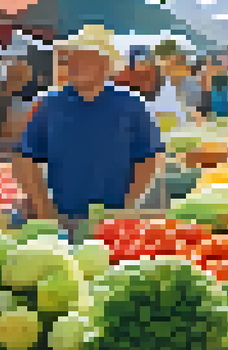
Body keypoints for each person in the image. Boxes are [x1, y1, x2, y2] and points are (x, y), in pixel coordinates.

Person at [13, 23, 165, 235]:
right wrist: (44, 209)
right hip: (62, 218)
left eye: (83, 59)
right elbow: (25, 158)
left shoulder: (132, 104)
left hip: (115, 222)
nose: (74, 65)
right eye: (72, 59)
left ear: (105, 64)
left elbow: (150, 156)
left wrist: (127, 206)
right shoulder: (49, 103)